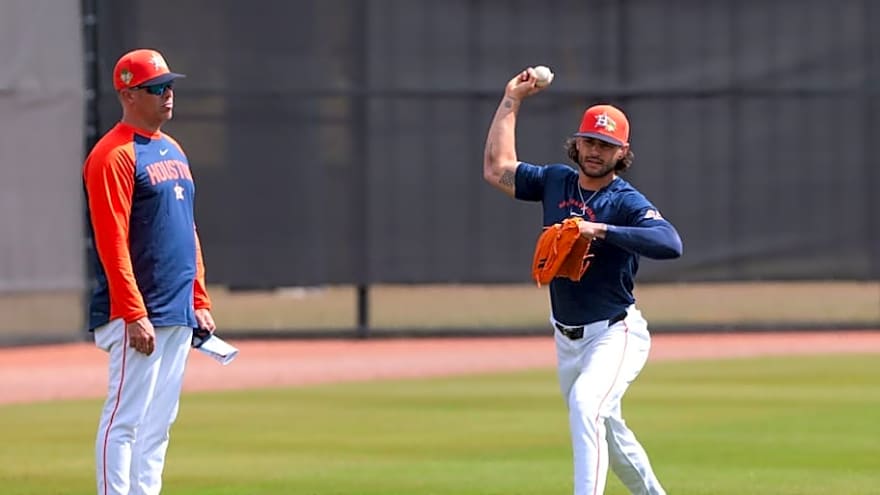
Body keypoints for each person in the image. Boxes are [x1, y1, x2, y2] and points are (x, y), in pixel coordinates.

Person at [483, 67, 682, 495]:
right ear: (577, 142)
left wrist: (601, 230)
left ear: (621, 152)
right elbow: (496, 168)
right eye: (590, 141)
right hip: (566, 336)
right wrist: (511, 100)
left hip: (615, 332)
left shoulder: (624, 201)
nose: (595, 151)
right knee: (608, 430)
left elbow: (669, 242)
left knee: (586, 405)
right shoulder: (556, 180)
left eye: (606, 145)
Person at [83, 48, 216, 495]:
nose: (168, 95)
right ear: (128, 94)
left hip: (176, 308)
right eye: (156, 88)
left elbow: (187, 229)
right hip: (138, 312)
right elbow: (111, 240)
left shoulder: (173, 149)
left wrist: (198, 298)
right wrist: (132, 312)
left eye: (169, 86)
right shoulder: (113, 154)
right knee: (126, 419)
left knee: (159, 423)